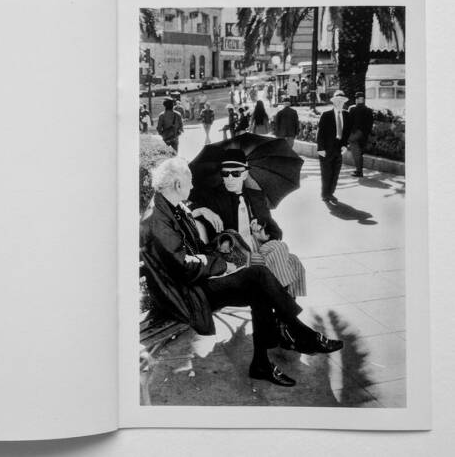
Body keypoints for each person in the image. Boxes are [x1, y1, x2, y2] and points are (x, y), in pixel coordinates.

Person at [140, 157, 343, 387]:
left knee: (259, 285)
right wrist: (222, 265)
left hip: (194, 283)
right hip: (184, 294)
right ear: (178, 185)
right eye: (190, 182)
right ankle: (301, 334)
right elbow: (184, 266)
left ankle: (262, 362)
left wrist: (220, 249)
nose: (193, 186)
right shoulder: (158, 218)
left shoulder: (171, 206)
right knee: (258, 275)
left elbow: (193, 250)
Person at [189, 149, 306, 299]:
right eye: (225, 173)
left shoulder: (256, 197)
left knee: (281, 248)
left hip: (257, 247)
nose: (230, 178)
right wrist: (203, 210)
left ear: (245, 174)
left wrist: (263, 235)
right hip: (234, 252)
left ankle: (275, 304)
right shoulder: (213, 197)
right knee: (289, 260)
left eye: (235, 173)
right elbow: (185, 211)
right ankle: (281, 303)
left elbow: (276, 232)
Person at [317, 90, 352, 203]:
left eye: (341, 101)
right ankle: (324, 194)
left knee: (335, 173)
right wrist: (320, 149)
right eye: (337, 101)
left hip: (339, 149)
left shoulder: (347, 115)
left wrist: (345, 145)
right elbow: (320, 133)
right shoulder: (326, 115)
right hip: (326, 149)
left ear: (344, 102)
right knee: (326, 173)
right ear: (334, 102)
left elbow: (347, 132)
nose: (339, 103)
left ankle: (331, 193)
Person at [347, 91, 374, 177]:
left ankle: (359, 171)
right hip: (364, 135)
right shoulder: (369, 110)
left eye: (356, 99)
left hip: (355, 133)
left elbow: (348, 122)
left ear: (358, 99)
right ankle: (359, 170)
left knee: (355, 151)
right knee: (359, 151)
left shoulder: (352, 108)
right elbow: (370, 125)